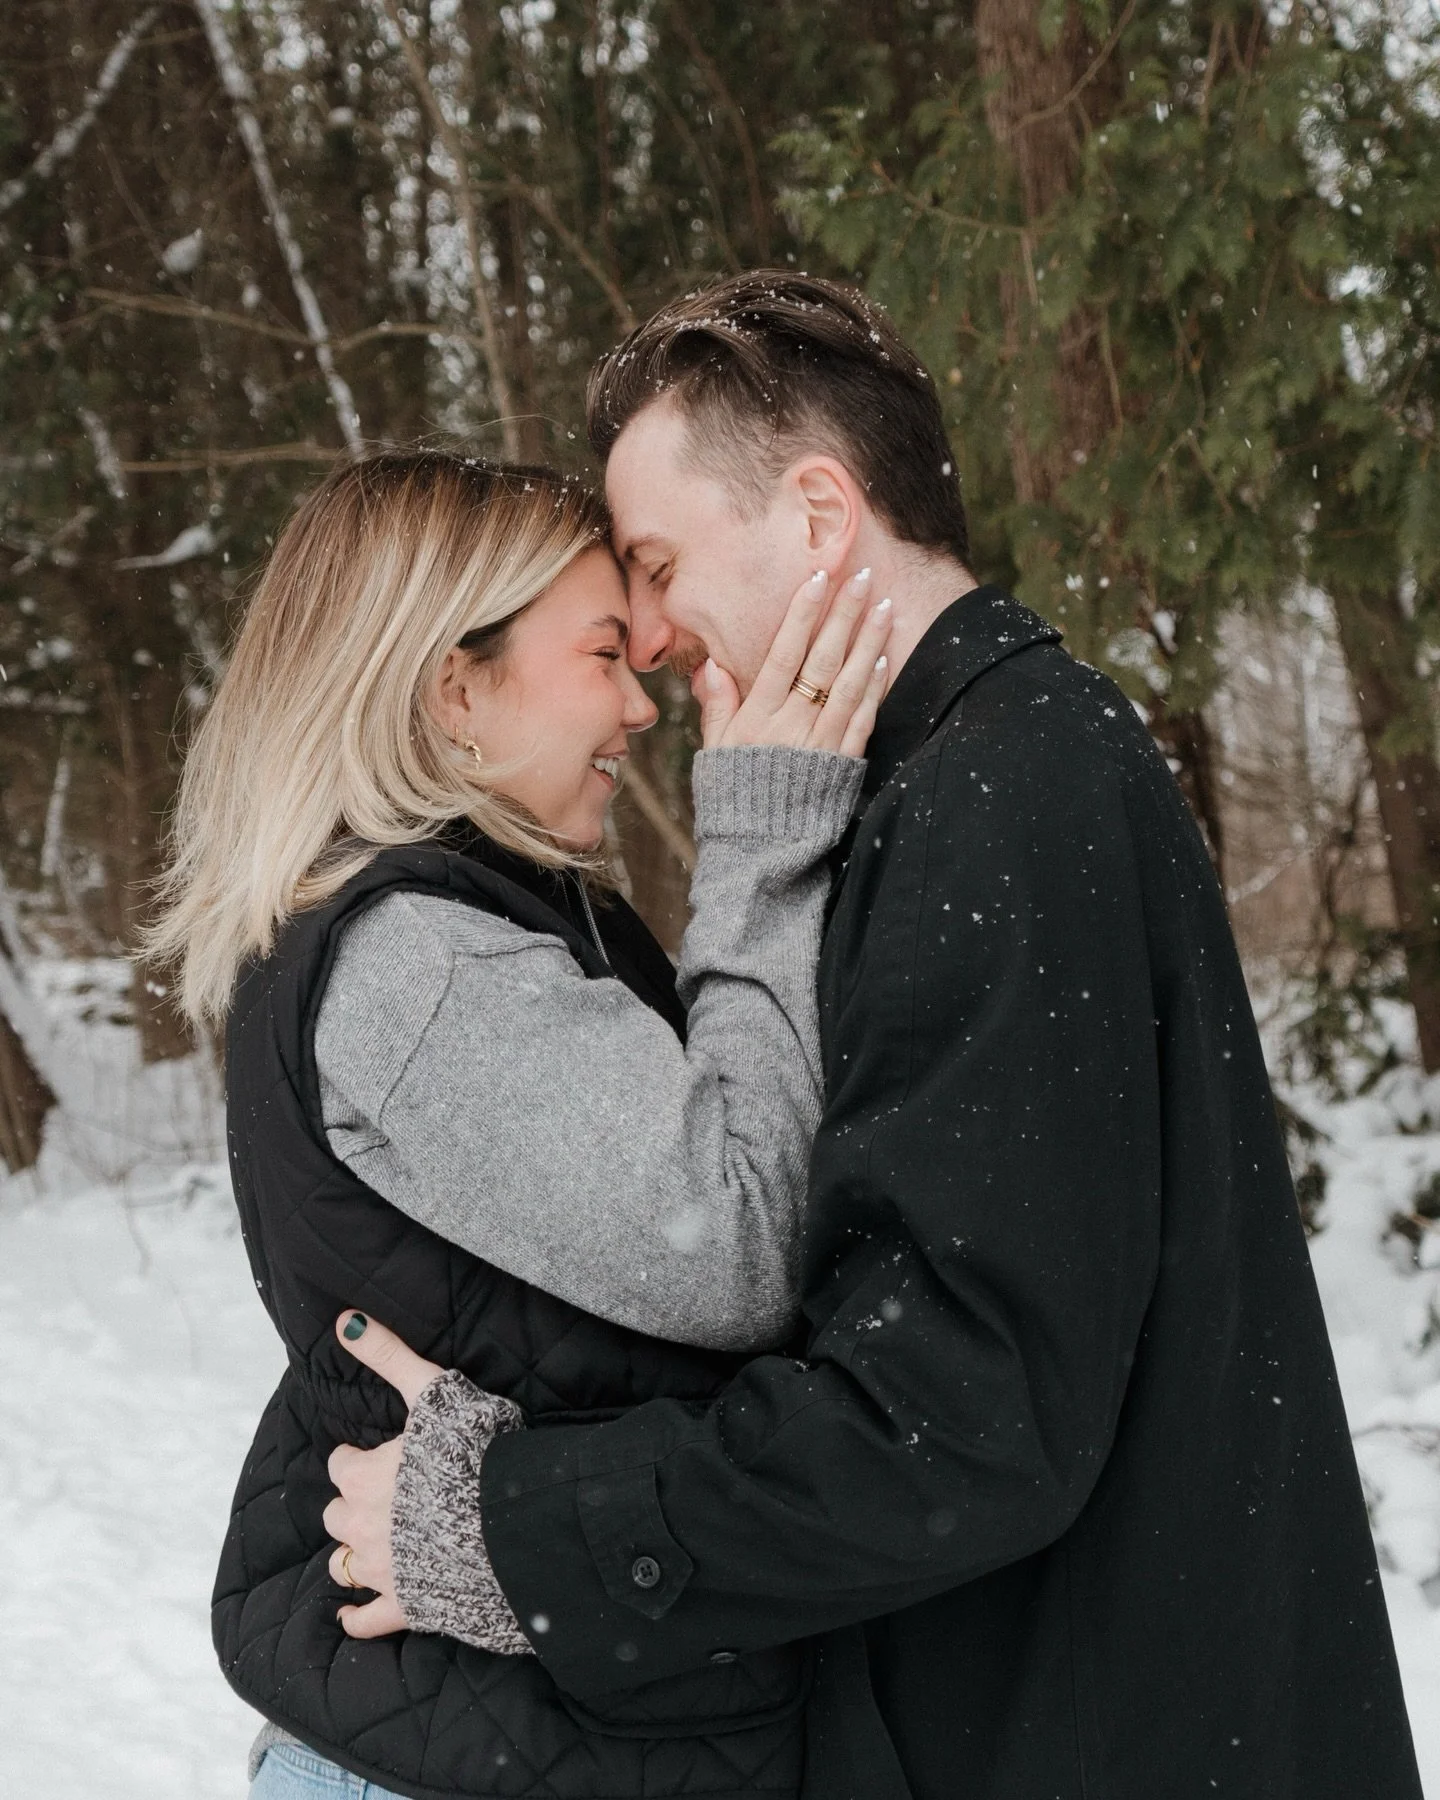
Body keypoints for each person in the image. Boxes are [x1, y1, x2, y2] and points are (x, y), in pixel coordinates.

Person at [325, 276, 1424, 1800]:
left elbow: (956, 1418)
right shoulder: (986, 772)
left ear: (823, 514)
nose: (641, 638)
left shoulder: (996, 799)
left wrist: (517, 1524)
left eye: (655, 565)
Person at [146, 448, 893, 1799]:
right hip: (476, 1758)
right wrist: (767, 831)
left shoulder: (472, 926)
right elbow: (735, 1239)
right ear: (454, 691)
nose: (639, 703)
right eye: (604, 654)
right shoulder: (426, 962)